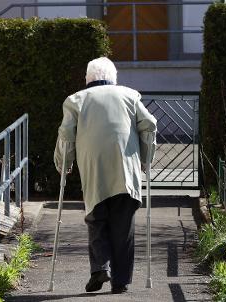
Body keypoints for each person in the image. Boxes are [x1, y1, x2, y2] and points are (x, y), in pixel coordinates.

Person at [54, 57, 157, 294]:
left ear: (87, 79)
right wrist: (145, 157)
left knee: (96, 217)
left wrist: (64, 163)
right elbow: (149, 124)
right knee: (123, 225)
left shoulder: (75, 100)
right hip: (125, 166)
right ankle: (120, 282)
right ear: (114, 78)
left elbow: (67, 135)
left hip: (94, 167)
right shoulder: (130, 95)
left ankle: (100, 267)